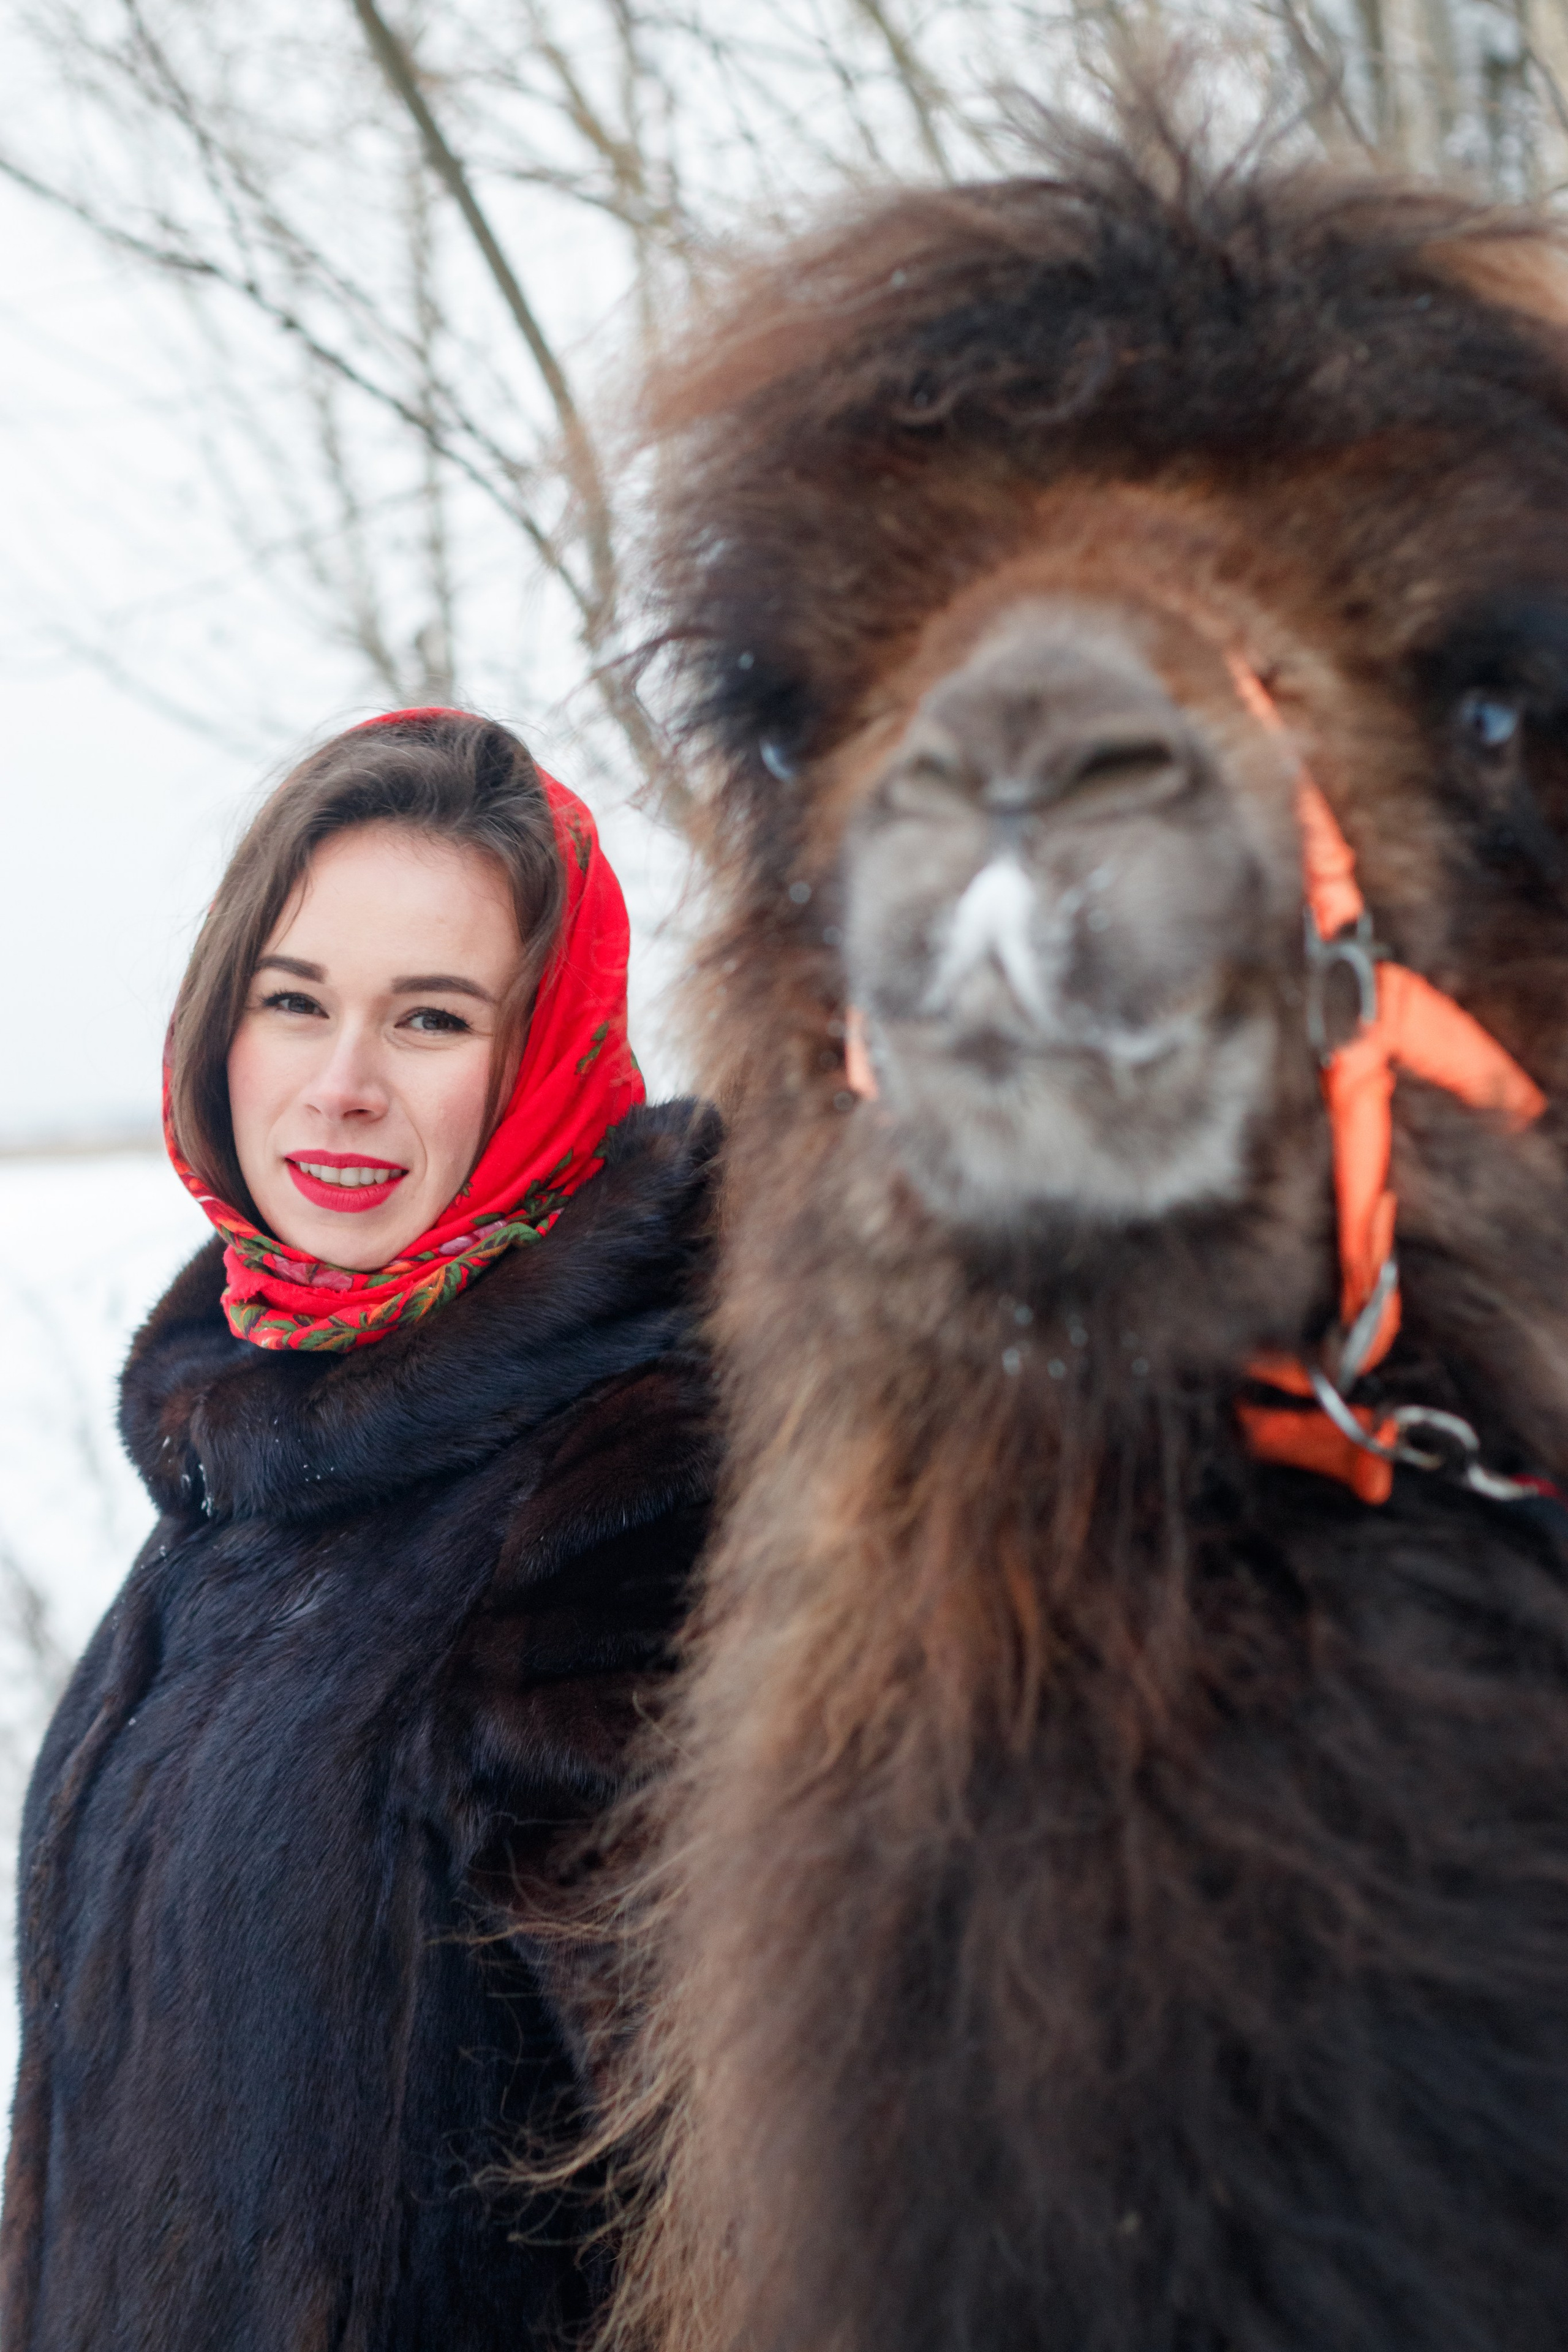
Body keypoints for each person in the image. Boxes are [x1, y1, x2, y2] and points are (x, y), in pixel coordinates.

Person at [0, 709, 717, 2350]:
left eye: (435, 1019)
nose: (342, 1086)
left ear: (542, 1066)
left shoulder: (617, 1498)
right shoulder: (254, 1458)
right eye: (296, 1000)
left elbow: (730, 2213)